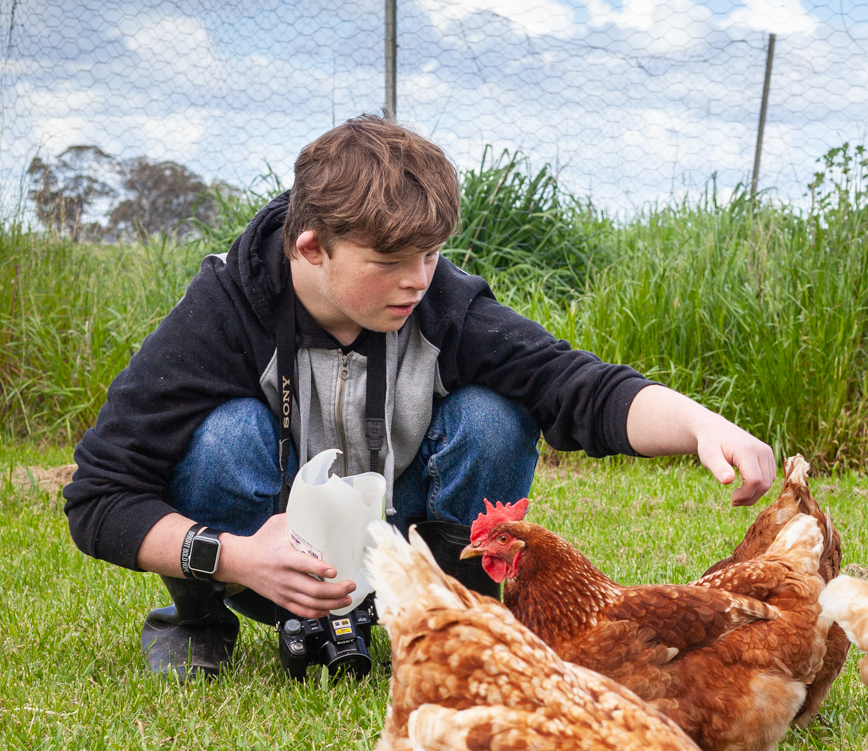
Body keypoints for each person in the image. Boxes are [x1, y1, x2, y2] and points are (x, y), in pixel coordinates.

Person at [64, 116, 774, 679]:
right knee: (220, 434)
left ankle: (442, 618)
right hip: (259, 551)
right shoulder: (223, 311)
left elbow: (576, 387)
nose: (417, 281)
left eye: (431, 256)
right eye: (390, 263)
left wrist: (700, 424)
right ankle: (197, 621)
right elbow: (99, 496)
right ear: (311, 248)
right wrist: (234, 556)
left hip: (402, 543)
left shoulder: (445, 303)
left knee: (495, 415)